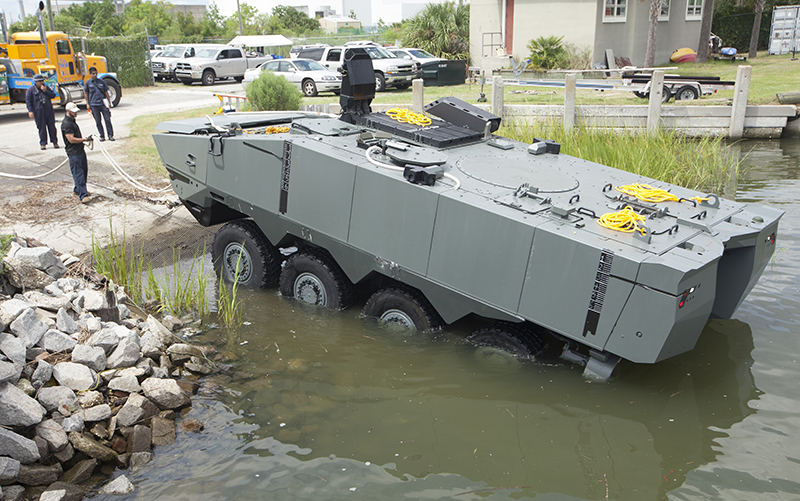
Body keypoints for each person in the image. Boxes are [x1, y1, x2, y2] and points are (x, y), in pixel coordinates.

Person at [61, 102, 93, 204]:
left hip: (80, 150)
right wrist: (84, 139)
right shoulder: (66, 124)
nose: (76, 114)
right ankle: (83, 195)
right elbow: (71, 139)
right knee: (78, 173)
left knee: (83, 171)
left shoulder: (72, 121)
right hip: (74, 152)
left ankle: (77, 189)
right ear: (68, 111)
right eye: (73, 112)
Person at [25, 74, 59, 150]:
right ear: (35, 82)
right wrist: (30, 111)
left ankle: (55, 141)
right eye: (39, 81)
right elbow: (28, 101)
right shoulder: (31, 90)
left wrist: (45, 91)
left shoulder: (46, 88)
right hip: (38, 111)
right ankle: (43, 143)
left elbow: (53, 95)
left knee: (52, 127)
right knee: (41, 127)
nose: (41, 82)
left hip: (48, 110)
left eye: (42, 81)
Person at [83, 67, 114, 141]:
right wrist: (87, 104)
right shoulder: (88, 83)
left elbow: (106, 92)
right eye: (93, 73)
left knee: (107, 119)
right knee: (98, 121)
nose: (95, 75)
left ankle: (110, 135)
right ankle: (102, 135)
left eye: (96, 73)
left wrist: (109, 102)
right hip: (94, 104)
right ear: (90, 74)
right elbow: (86, 94)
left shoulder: (101, 82)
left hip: (103, 104)